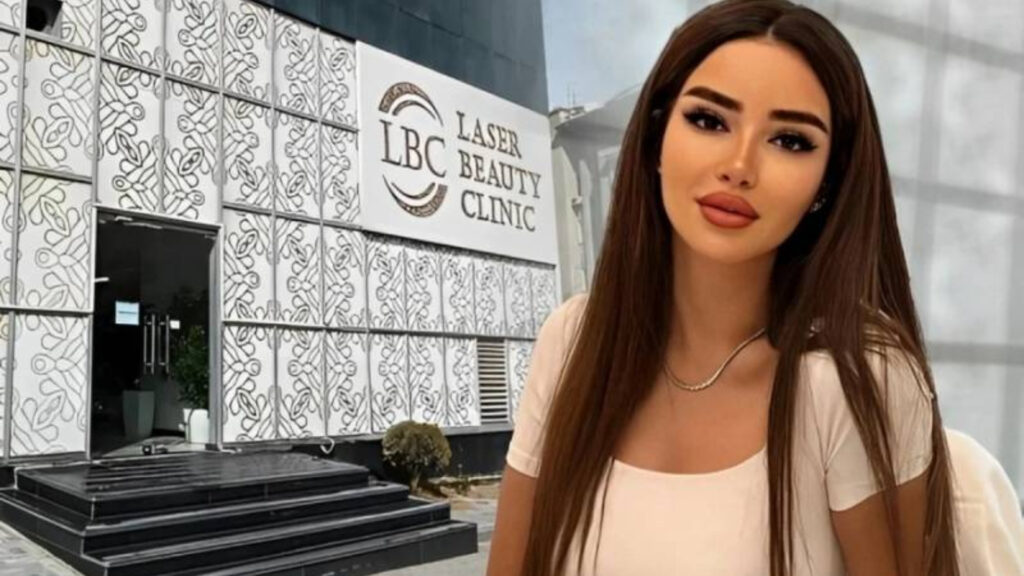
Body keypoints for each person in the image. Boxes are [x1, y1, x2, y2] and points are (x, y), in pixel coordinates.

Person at [488, 1, 964, 575]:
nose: (739, 166)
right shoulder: (573, 341)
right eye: (709, 121)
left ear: (827, 184)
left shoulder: (853, 376)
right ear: (656, 139)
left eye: (790, 140)